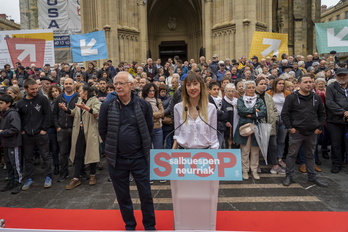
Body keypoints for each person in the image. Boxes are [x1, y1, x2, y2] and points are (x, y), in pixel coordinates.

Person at [98, 71, 156, 230]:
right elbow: (102, 130)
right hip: (117, 160)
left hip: (139, 159)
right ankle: (130, 225)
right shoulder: (107, 106)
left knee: (146, 195)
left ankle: (149, 226)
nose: (117, 86)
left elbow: (148, 129)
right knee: (123, 196)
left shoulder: (143, 105)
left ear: (131, 85)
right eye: (115, 83)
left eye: (121, 83)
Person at [281, 75, 327, 187]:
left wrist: (319, 127)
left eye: (310, 82)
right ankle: (289, 176)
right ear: (299, 84)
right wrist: (290, 128)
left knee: (310, 155)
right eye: (306, 82)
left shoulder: (316, 97)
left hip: (312, 132)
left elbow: (322, 114)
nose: (308, 84)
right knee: (292, 155)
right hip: (296, 132)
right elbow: (285, 114)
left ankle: (312, 177)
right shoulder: (292, 97)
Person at [59, 85, 101, 190]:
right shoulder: (79, 99)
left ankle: (92, 175)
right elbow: (74, 112)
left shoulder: (94, 100)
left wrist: (86, 108)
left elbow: (97, 111)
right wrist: (66, 110)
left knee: (91, 153)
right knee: (78, 153)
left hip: (90, 131)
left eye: (81, 90)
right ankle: (76, 177)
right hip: (79, 131)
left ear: (86, 92)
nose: (79, 92)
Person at [17, 79, 53, 190]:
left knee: (46, 156)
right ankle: (29, 178)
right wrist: (23, 130)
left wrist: (44, 129)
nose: (35, 91)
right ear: (26, 89)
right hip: (27, 135)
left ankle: (48, 176)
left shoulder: (42, 99)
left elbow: (48, 115)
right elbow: (19, 118)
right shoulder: (20, 103)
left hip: (41, 133)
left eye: (36, 88)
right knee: (28, 158)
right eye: (32, 89)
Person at [172, 72, 219, 149]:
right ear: (185, 88)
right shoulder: (178, 108)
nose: (192, 88)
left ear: (201, 86)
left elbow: (213, 137)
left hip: (205, 155)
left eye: (195, 84)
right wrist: (172, 155)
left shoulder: (211, 108)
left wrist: (214, 156)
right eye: (188, 85)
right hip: (184, 155)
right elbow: (177, 135)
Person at [234, 81, 266, 180]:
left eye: (253, 87)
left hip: (256, 126)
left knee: (255, 150)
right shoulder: (240, 100)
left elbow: (263, 112)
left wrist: (250, 115)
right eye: (249, 88)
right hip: (244, 127)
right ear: (245, 89)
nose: (251, 89)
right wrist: (254, 111)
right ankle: (245, 170)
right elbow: (241, 110)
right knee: (245, 150)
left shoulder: (259, 100)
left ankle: (254, 170)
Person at [255, 77, 284, 174]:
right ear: (256, 85)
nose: (264, 86)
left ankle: (274, 166)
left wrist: (275, 119)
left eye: (265, 84)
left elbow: (274, 109)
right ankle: (256, 165)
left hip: (270, 125)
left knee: (273, 146)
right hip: (259, 125)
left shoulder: (268, 96)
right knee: (258, 147)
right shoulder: (253, 96)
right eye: (261, 84)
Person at [53, 78, 79, 182]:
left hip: (75, 128)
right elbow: (54, 113)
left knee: (77, 152)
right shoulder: (59, 97)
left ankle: (78, 173)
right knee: (63, 153)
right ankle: (63, 173)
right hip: (62, 129)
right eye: (66, 84)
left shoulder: (78, 97)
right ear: (63, 85)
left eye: (70, 83)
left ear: (73, 85)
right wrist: (57, 126)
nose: (68, 85)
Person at [326, 68, 348, 174]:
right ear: (336, 76)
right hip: (334, 120)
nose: (342, 77)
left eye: (344, 75)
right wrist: (343, 112)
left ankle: (344, 161)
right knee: (336, 143)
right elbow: (330, 103)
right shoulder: (331, 87)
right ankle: (336, 164)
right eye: (340, 75)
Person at [266, 78, 291, 168]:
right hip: (273, 119)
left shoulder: (287, 93)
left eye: (283, 83)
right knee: (273, 141)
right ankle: (272, 159)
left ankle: (279, 158)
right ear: (275, 84)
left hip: (284, 118)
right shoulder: (269, 93)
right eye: (279, 83)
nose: (281, 85)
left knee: (281, 140)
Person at [0, 95, 22, 194]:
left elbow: (15, 129)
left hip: (13, 143)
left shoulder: (12, 114)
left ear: (8, 104)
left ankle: (18, 183)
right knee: (9, 164)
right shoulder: (4, 114)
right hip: (6, 143)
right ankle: (11, 181)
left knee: (15, 164)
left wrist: (2, 132)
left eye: (1, 103)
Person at [142, 83, 164, 149]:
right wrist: (157, 114)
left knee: (158, 150)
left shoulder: (158, 100)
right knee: (147, 150)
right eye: (150, 91)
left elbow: (162, 113)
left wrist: (151, 114)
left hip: (158, 128)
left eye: (153, 91)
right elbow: (144, 114)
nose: (152, 92)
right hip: (147, 128)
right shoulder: (142, 101)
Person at [208, 82, 228, 148]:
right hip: (210, 127)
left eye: (217, 89)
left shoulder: (221, 100)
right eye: (214, 89)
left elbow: (226, 114)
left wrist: (219, 113)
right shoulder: (207, 100)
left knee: (219, 146)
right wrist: (220, 112)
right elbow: (209, 114)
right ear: (209, 90)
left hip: (220, 126)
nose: (216, 91)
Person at [47, 85, 62, 176]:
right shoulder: (49, 103)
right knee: (54, 148)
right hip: (52, 128)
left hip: (63, 126)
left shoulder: (63, 101)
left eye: (56, 91)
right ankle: (56, 165)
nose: (55, 93)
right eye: (53, 91)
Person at [222, 83, 239, 149]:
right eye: (229, 91)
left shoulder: (237, 102)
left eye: (232, 91)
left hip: (236, 127)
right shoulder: (222, 102)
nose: (230, 93)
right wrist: (225, 122)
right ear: (225, 92)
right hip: (226, 128)